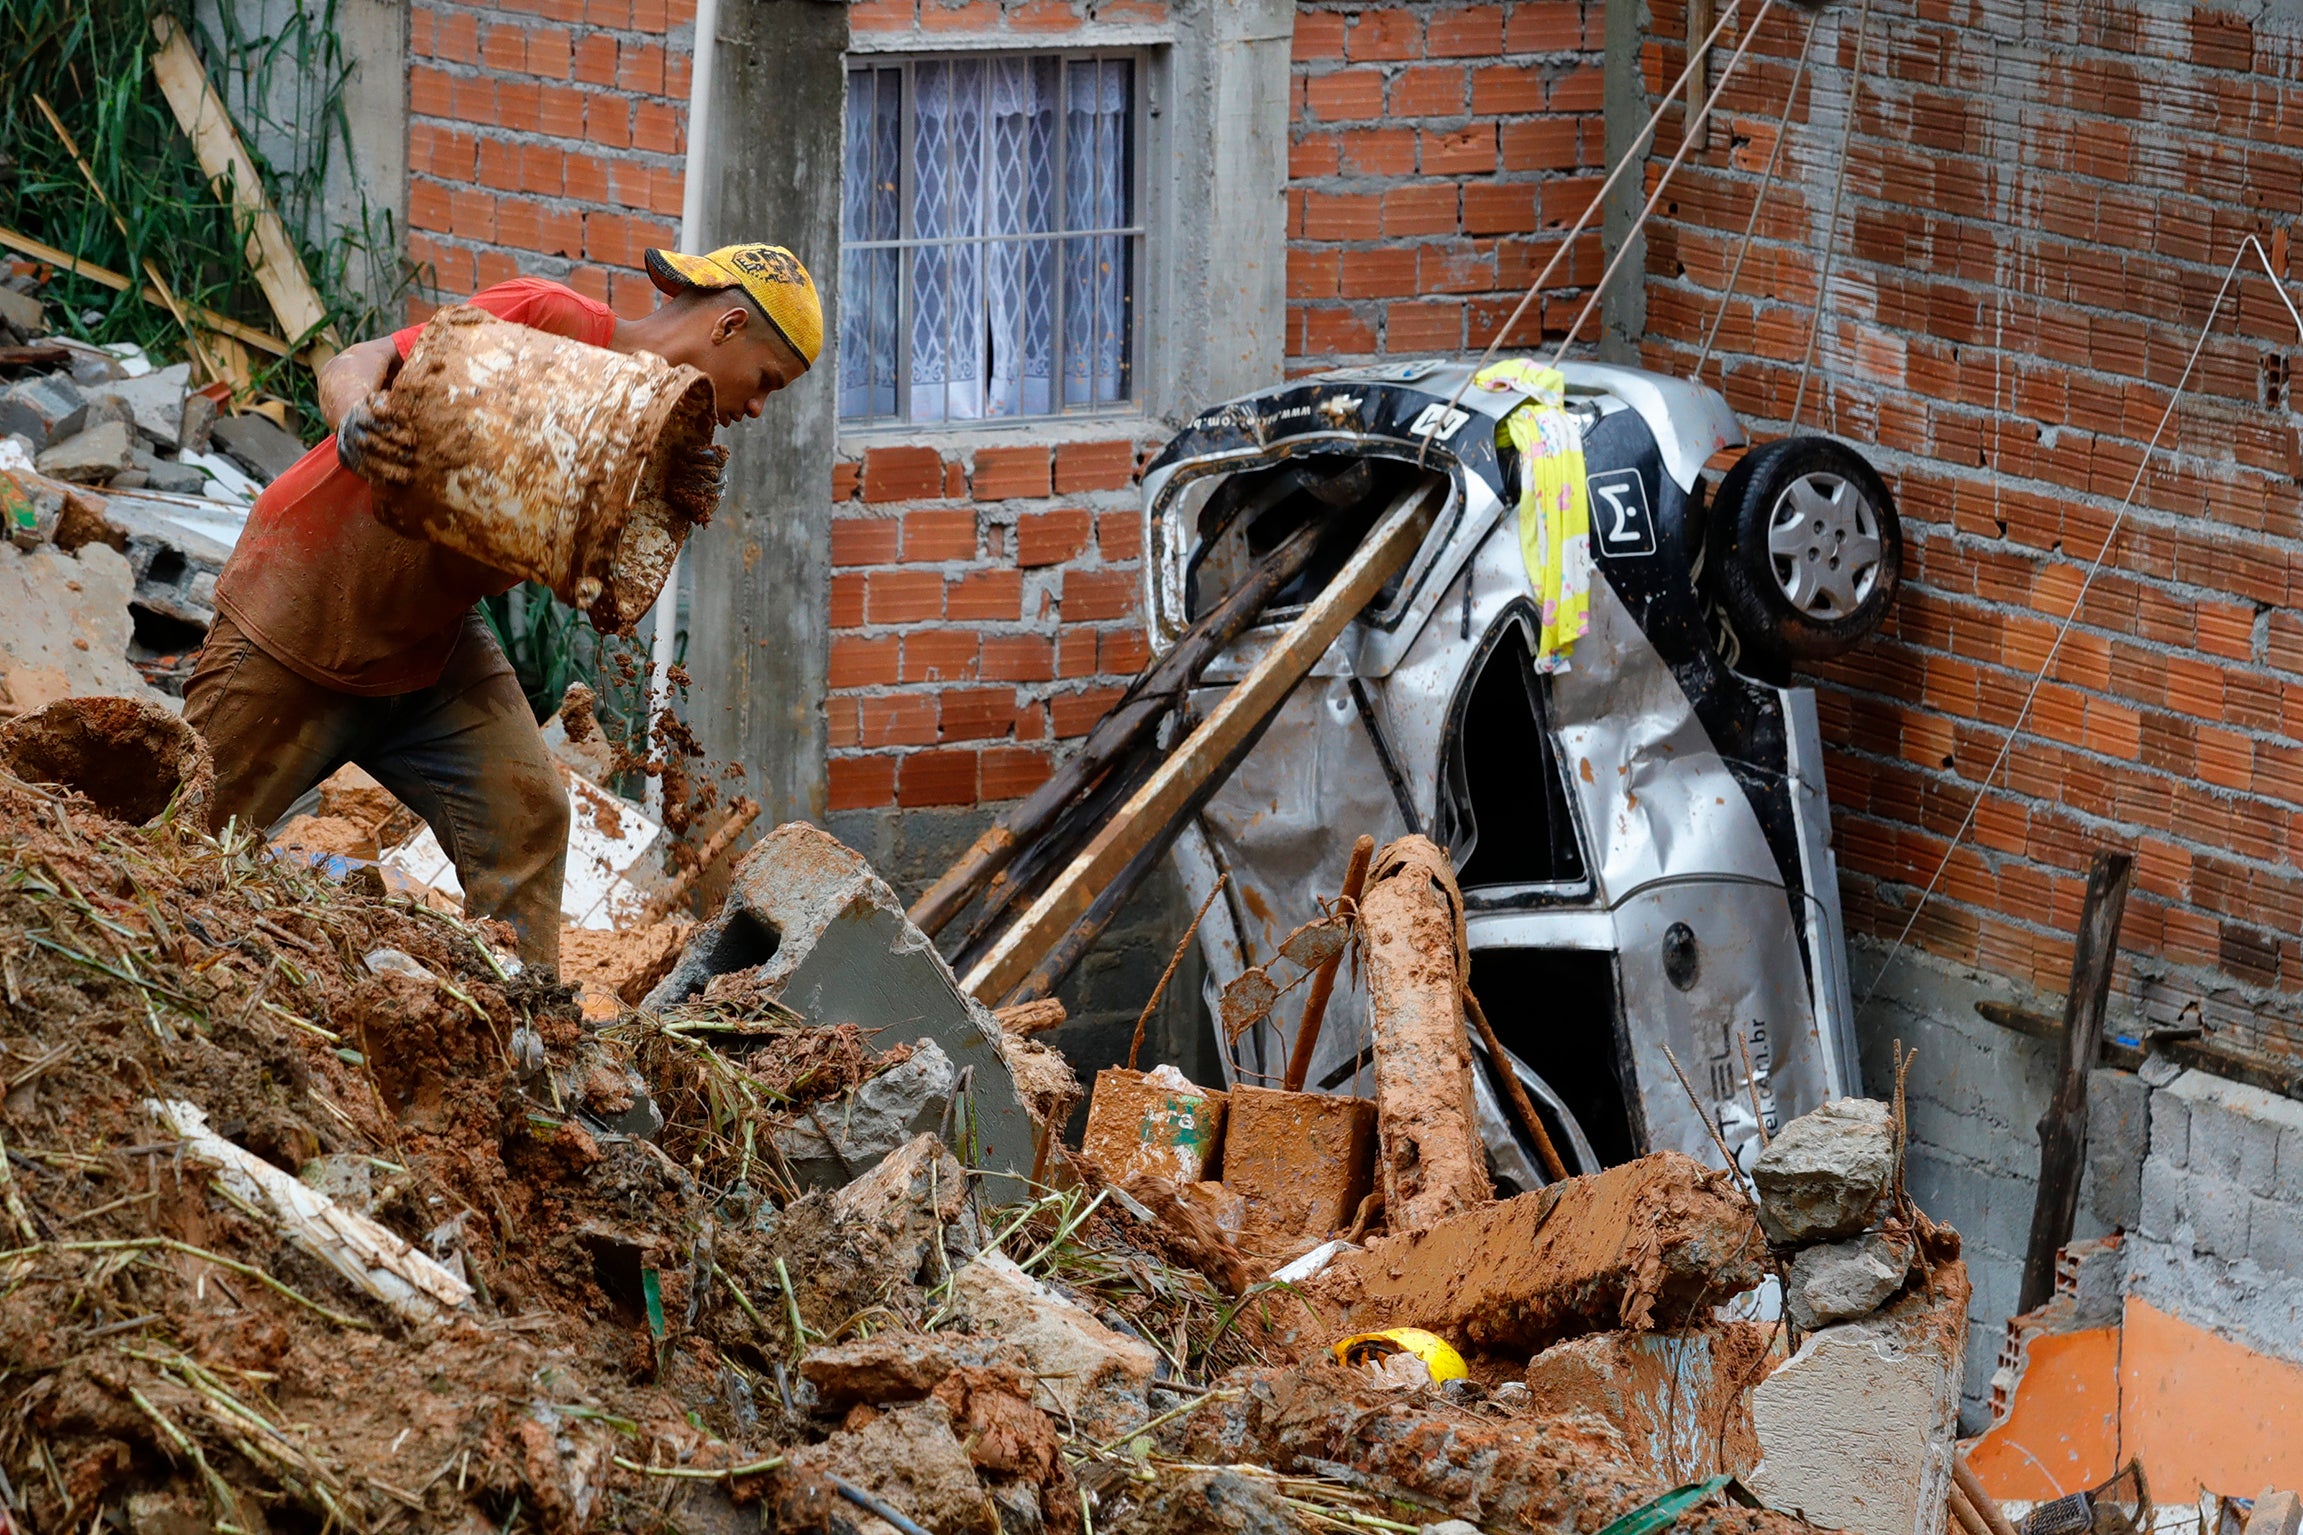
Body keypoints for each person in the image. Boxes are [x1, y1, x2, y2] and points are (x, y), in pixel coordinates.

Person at [183, 244, 821, 969]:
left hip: (429, 640)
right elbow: (356, 360)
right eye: (767, 380)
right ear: (729, 323)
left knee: (528, 818)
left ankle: (526, 1030)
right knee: (182, 837)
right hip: (303, 603)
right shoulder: (556, 319)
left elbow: (584, 579)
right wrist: (357, 416)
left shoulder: (648, 431)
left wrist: (656, 491)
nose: (760, 407)